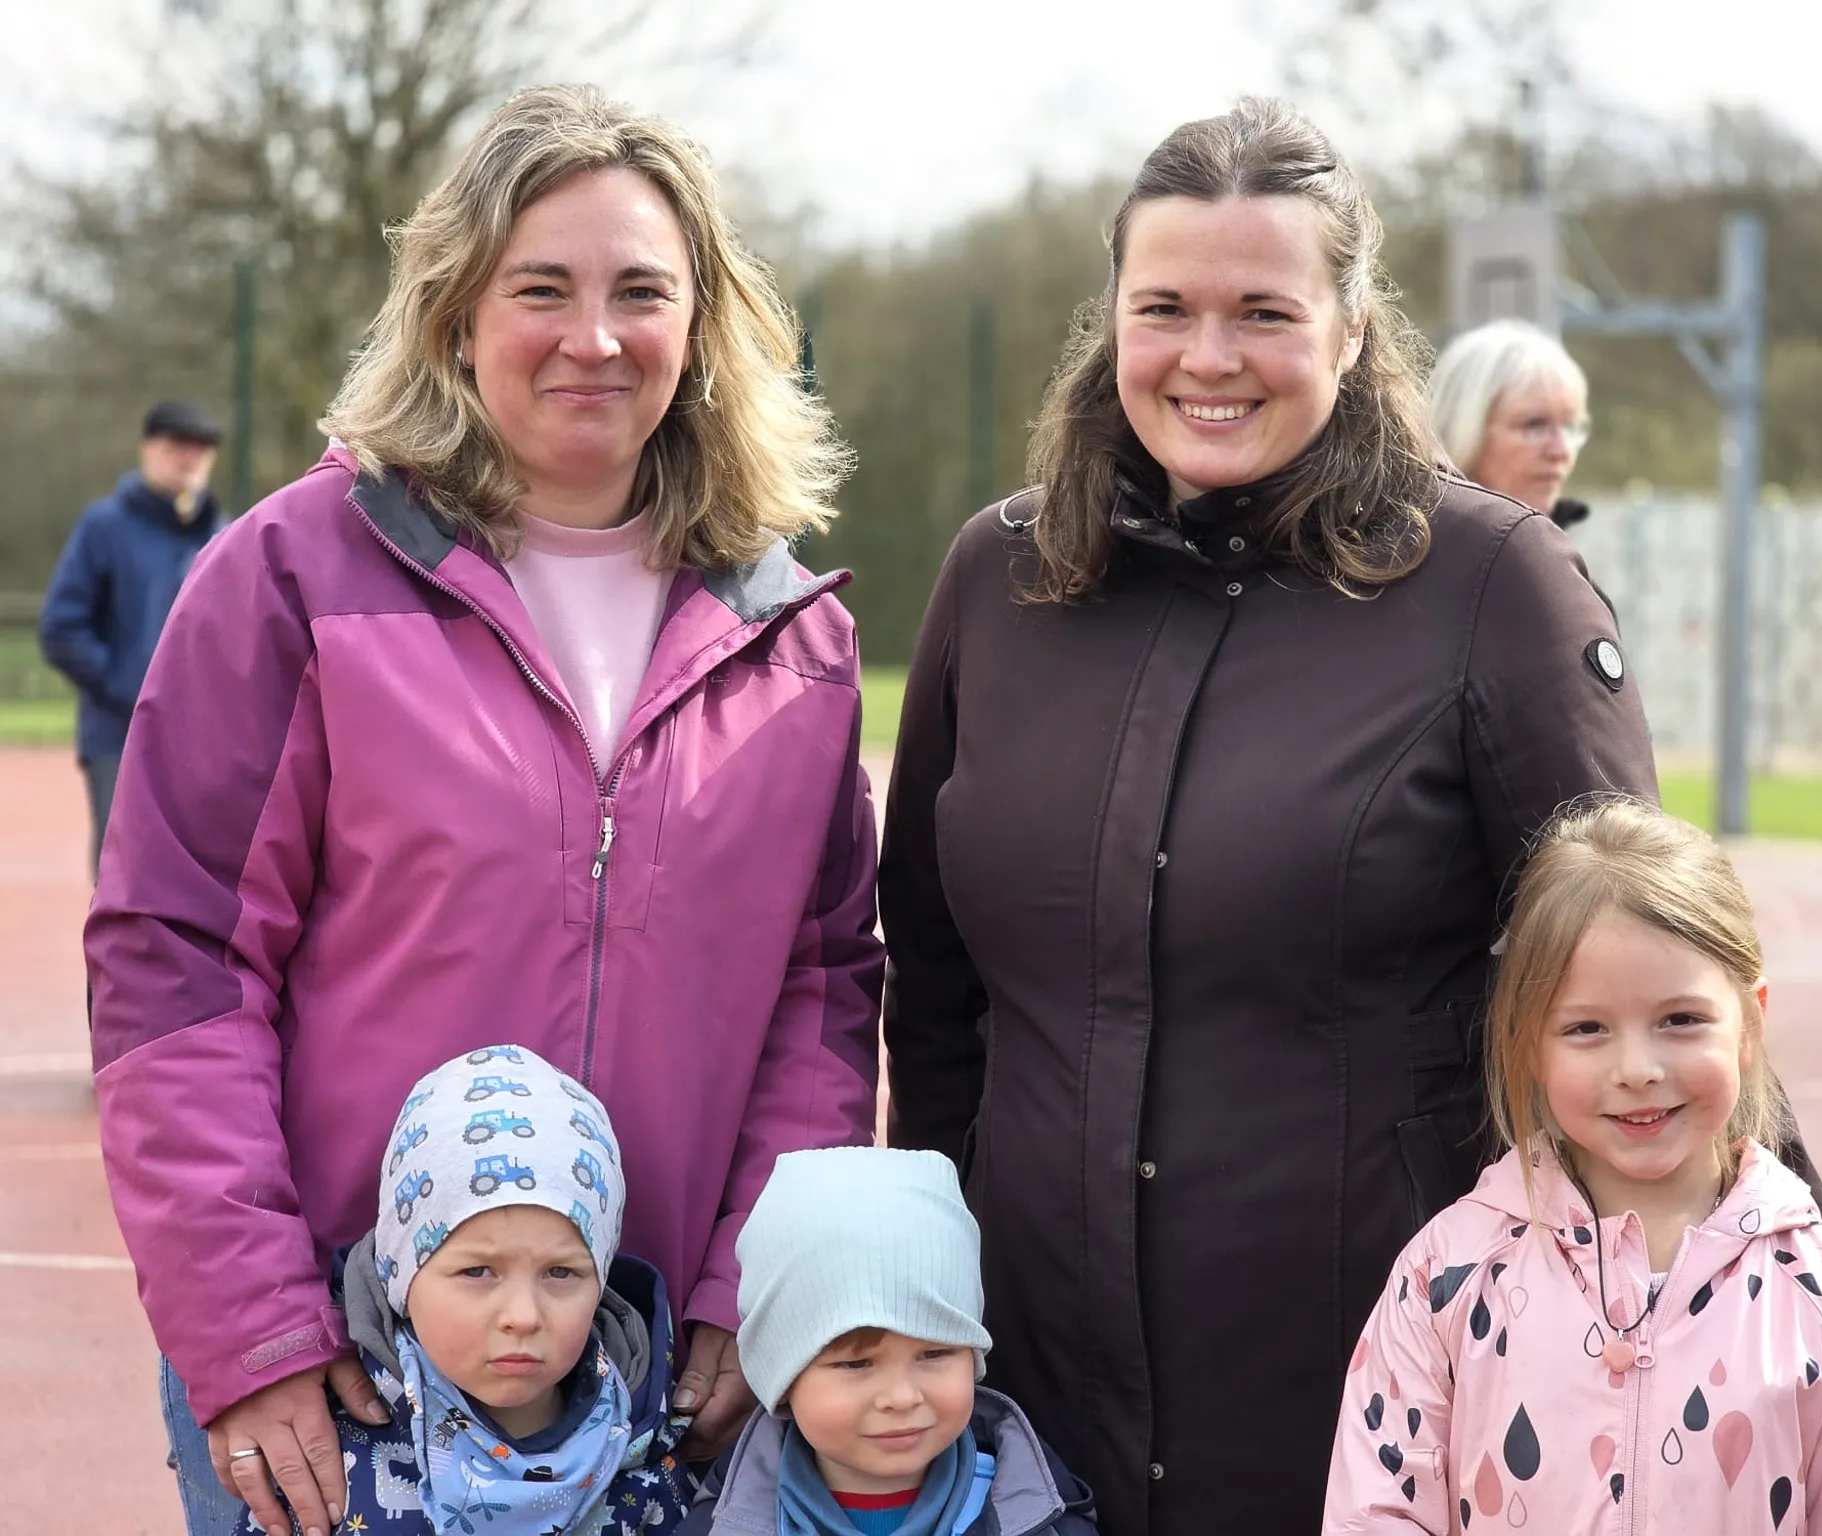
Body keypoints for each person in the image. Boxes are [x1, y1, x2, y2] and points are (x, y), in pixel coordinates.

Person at [880, 98, 1822, 1536]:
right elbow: (938, 993)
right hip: (1038, 1412)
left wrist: (1799, 1310)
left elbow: (1654, 977)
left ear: (1346, 328)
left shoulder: (1494, 589)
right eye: (1168, 309)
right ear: (1113, 323)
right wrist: (911, 1297)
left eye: (1264, 310)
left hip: (1391, 1408)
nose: (1210, 357)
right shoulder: (999, 583)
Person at [86, 84, 882, 1536]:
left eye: (642, 291)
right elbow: (174, 969)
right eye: (542, 289)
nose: (595, 336)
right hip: (337, 1378)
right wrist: (256, 1332)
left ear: (700, 328)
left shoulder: (792, 637)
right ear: (456, 314)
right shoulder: (290, 581)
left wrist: (745, 1292)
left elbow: (819, 999)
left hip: (644, 1384)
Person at [1323, 800, 1822, 1534]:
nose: (1638, 1069)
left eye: (1680, 1020)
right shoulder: (1445, 1280)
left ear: (1751, 1023)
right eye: (1586, 1029)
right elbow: (1377, 1513)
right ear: (1528, 1048)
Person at [321, 1046, 696, 1534]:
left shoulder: (647, 1477)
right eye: (478, 1272)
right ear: (400, 1278)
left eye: (561, 1273)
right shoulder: (328, 1466)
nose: (522, 1315)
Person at [688, 1146, 1095, 1535]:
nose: (901, 1397)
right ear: (780, 1376)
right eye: (856, 1363)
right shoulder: (721, 1522)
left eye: (935, 1353)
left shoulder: (1042, 1516)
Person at [38, 399, 224, 875]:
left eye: (201, 448)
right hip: (117, 736)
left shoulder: (224, 535)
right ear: (148, 449)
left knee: (198, 877)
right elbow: (61, 626)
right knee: (123, 872)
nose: (190, 457)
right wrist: (127, 687)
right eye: (178, 445)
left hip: (204, 738)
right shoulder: (104, 527)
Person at [1426, 318, 1591, 524]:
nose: (1561, 452)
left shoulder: (1556, 544)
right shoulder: (1405, 547)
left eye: (1570, 426)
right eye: (1534, 424)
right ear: (1462, 427)